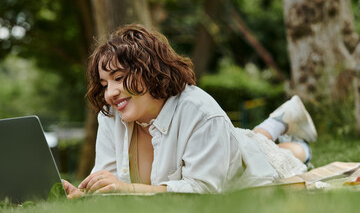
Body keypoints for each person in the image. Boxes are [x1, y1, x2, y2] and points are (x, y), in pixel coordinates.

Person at [63, 24, 317, 199]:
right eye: (105, 83)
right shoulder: (111, 115)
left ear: (150, 70)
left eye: (119, 77)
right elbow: (109, 183)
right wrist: (83, 194)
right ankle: (278, 121)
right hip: (225, 140)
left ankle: (292, 135)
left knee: (277, 150)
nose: (110, 93)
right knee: (252, 135)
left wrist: (125, 188)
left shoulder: (201, 112)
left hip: (250, 161)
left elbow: (202, 192)